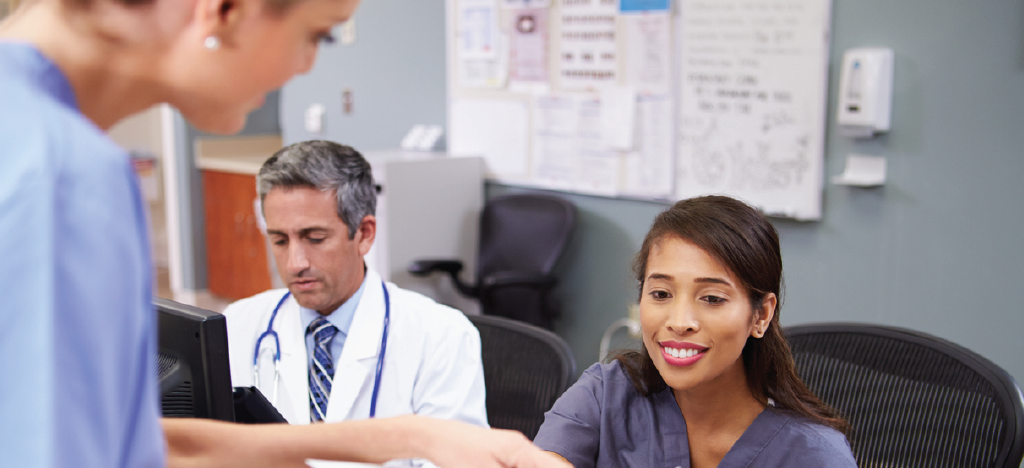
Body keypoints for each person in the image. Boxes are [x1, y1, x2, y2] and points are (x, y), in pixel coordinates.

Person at [0, 0, 561, 467]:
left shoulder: (24, 130)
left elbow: (130, 444)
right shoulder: (63, 169)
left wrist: (411, 437)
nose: (304, 69)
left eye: (314, 237)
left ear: (363, 233)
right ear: (224, 11)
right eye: (315, 36)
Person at [533, 195, 857, 468]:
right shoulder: (605, 394)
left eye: (712, 299)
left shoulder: (815, 456)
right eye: (661, 294)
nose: (680, 321)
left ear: (761, 315)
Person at [223, 140, 487, 430]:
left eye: (315, 238)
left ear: (364, 234)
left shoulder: (441, 337)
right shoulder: (236, 325)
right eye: (280, 241)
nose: (294, 264)